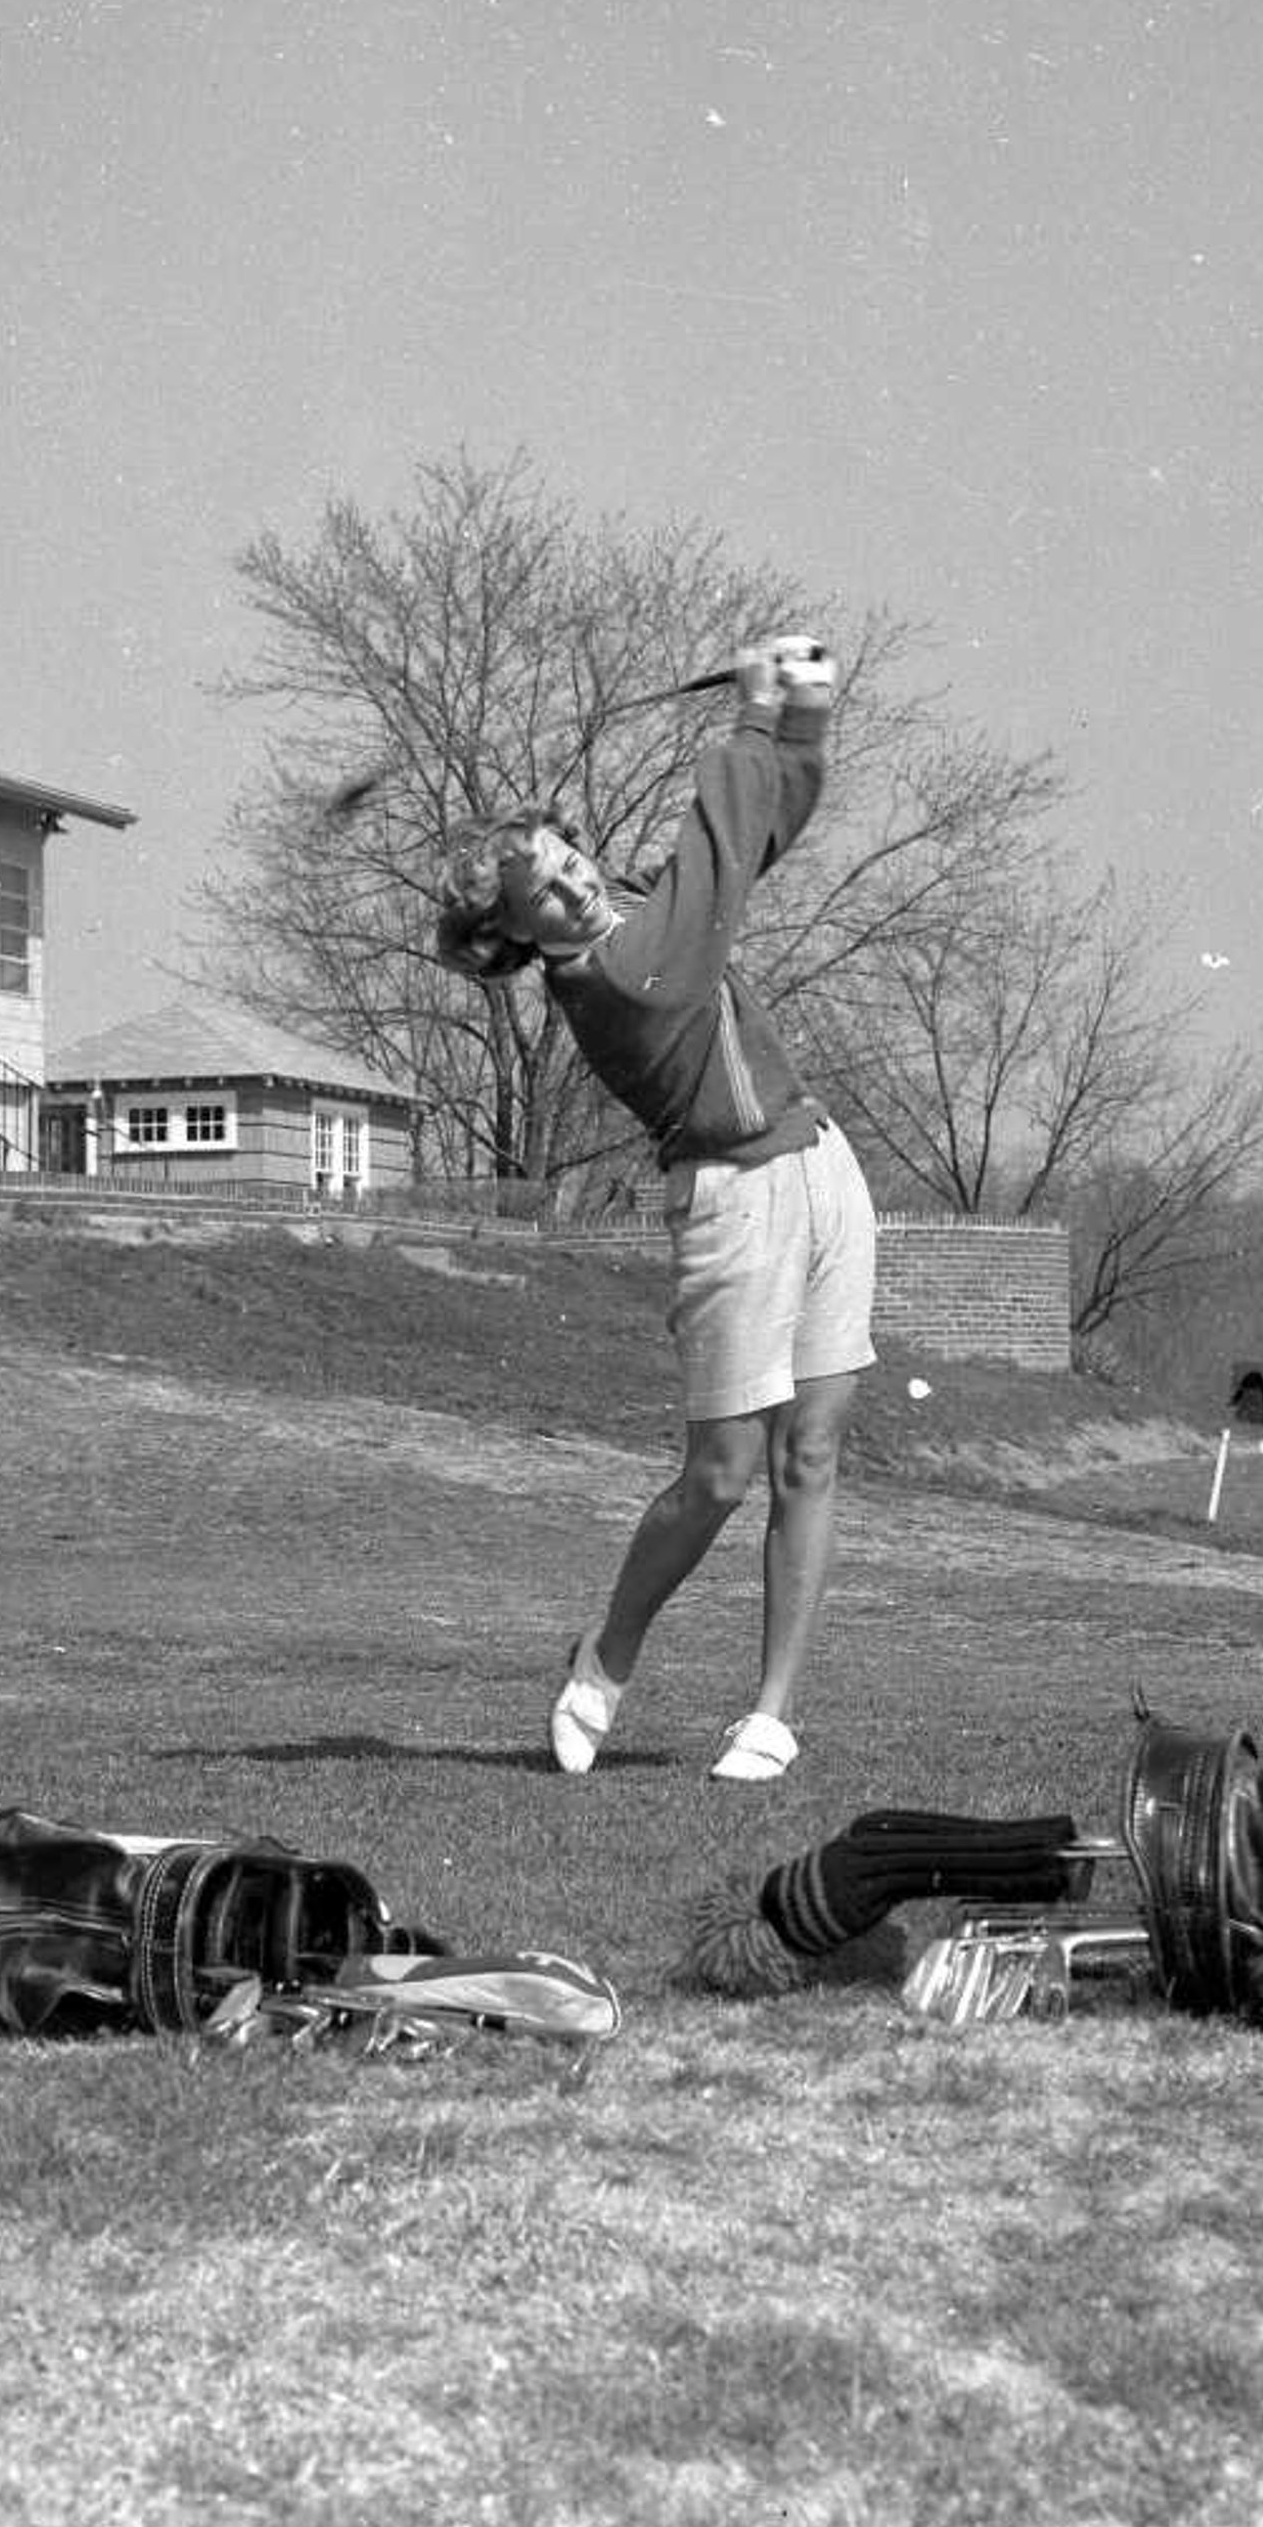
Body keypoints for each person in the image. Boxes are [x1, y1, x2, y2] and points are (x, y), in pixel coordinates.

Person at [426, 634, 875, 1784]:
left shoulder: (643, 918)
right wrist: (751, 715)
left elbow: (764, 822)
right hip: (731, 1201)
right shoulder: (621, 980)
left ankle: (771, 1711)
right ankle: (605, 1656)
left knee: (810, 1455)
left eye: (567, 854)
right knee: (721, 1473)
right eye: (545, 886)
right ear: (519, 934)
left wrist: (803, 720)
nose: (575, 876)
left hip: (822, 1170)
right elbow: (725, 839)